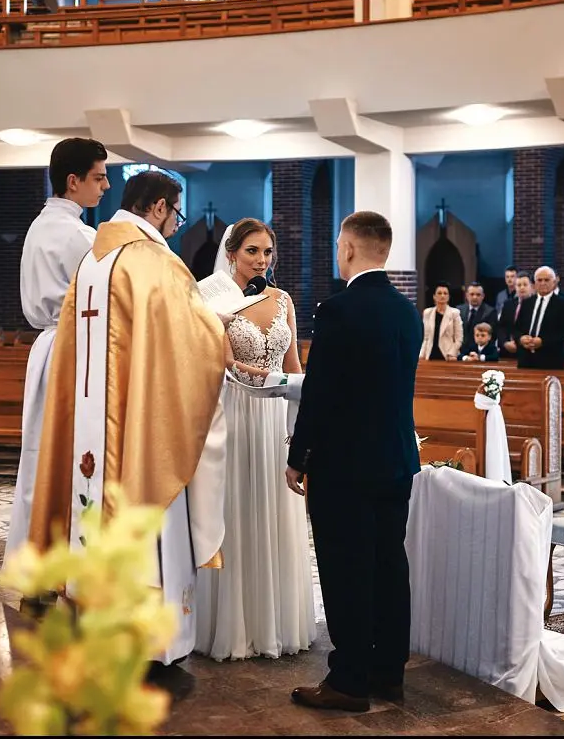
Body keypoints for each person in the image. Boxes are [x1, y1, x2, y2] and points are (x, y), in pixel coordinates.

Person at [25, 171, 228, 669]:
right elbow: (194, 342)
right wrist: (222, 333)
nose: (177, 225)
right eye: (176, 213)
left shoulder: (92, 259)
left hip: (88, 436)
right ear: (158, 207)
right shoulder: (154, 262)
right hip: (138, 428)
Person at [285, 210, 422, 712]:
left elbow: (320, 393)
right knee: (389, 564)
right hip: (395, 461)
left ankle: (348, 681)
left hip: (345, 467)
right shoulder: (408, 312)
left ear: (348, 248)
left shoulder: (338, 310)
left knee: (346, 569)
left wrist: (300, 456)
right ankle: (388, 673)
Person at [194, 218, 317, 662]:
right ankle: (234, 625)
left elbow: (294, 364)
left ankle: (278, 622)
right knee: (238, 510)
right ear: (231, 252)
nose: (261, 260)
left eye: (267, 252)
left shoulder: (283, 299)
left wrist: (307, 420)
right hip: (235, 412)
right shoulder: (209, 295)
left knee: (275, 509)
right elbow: (213, 361)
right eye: (251, 251)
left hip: (274, 417)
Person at [3, 137, 109, 573]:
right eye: (99, 178)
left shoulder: (37, 227)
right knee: (72, 457)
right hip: (73, 349)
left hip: (46, 348)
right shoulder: (80, 236)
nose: (104, 187)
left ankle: (35, 561)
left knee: (38, 457)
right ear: (73, 180)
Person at [513, 266, 564, 370]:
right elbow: (516, 328)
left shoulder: (563, 304)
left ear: (554, 282)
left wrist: (543, 341)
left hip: (551, 360)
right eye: (539, 280)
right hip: (526, 359)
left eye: (546, 280)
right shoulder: (527, 302)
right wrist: (520, 339)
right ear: (534, 283)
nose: (543, 283)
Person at [419, 282, 463, 360]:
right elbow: (426, 337)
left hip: (448, 355)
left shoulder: (455, 313)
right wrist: (422, 354)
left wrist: (452, 353)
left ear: (448, 296)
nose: (442, 296)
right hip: (430, 354)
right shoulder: (427, 313)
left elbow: (459, 339)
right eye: (439, 293)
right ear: (434, 296)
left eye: (445, 293)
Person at [496, 271, 532, 360]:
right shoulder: (508, 304)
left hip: (528, 352)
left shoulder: (535, 305)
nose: (522, 288)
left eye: (525, 285)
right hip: (507, 352)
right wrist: (505, 343)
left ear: (531, 286)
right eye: (519, 285)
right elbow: (501, 327)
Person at [456, 282, 498, 355]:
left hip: (481, 353)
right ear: (467, 295)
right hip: (460, 352)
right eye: (472, 294)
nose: (475, 297)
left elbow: (492, 335)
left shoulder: (490, 312)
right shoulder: (458, 310)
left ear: (483, 296)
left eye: (478, 295)